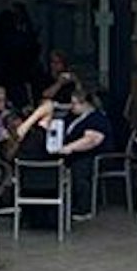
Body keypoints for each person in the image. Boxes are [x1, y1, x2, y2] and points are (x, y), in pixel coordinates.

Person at [15, 83, 110, 219]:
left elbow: (91, 140)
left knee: (80, 169)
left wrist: (70, 148)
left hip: (89, 155)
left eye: (74, 104)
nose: (72, 106)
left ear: (86, 104)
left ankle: (83, 208)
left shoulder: (96, 119)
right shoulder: (72, 117)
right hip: (69, 153)